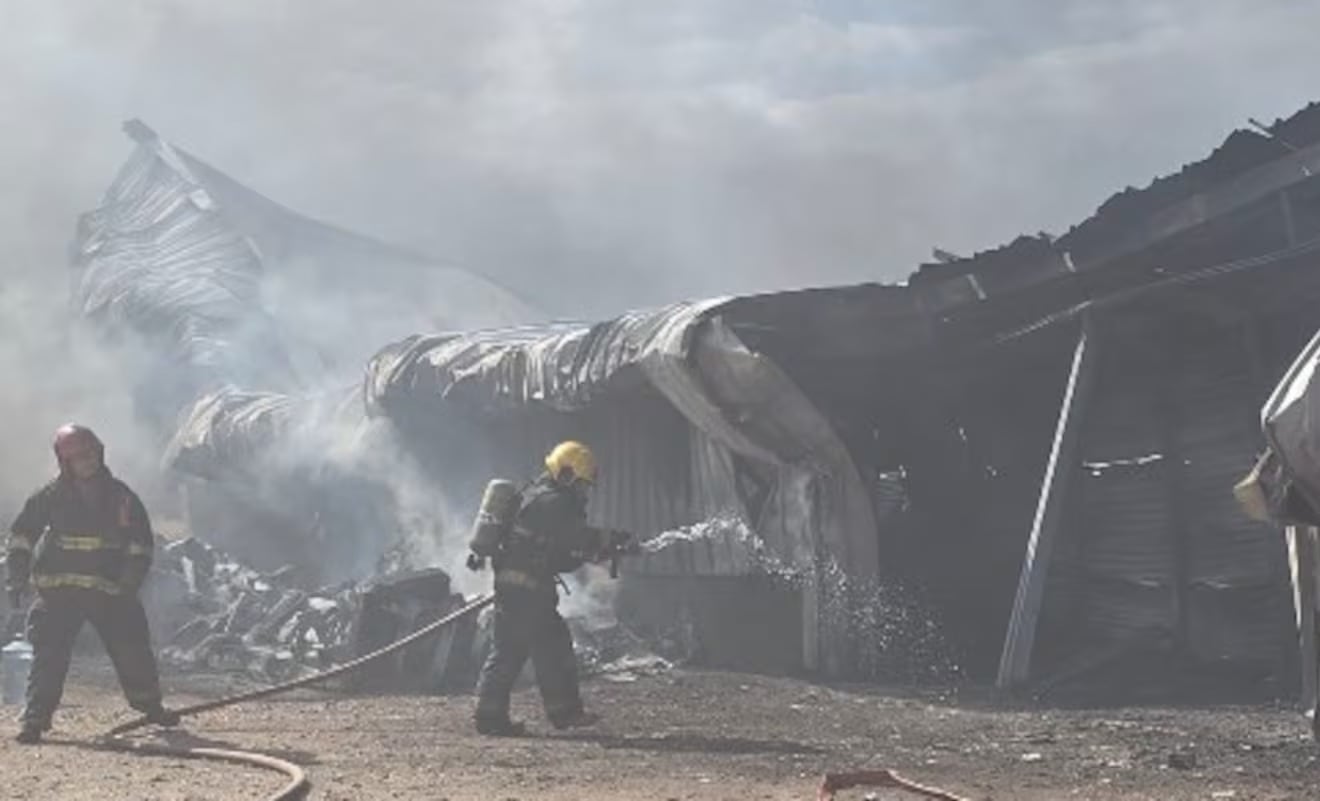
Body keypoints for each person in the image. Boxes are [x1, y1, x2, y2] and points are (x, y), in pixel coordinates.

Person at [5, 424, 179, 744]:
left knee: (132, 649)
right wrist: (16, 577)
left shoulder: (122, 497)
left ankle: (151, 707)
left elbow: (140, 545)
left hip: (110, 592)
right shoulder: (49, 497)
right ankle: (35, 720)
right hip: (59, 594)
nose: (88, 462)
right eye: (80, 457)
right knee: (49, 656)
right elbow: (21, 537)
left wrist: (129, 583)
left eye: (91, 454)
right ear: (65, 463)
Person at [470, 440, 632, 736]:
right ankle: (563, 713)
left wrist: (599, 549)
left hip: (514, 586)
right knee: (549, 648)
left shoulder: (535, 496)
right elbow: (576, 538)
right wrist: (611, 539)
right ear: (566, 474)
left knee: (511, 651)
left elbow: (560, 552)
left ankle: (491, 716)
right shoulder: (555, 503)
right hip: (529, 591)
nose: (584, 493)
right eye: (582, 485)